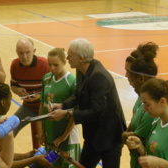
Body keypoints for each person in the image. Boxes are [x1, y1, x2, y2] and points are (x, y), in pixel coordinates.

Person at [48, 38, 127, 168]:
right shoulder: (81, 70)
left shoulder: (98, 77)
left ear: (81, 58)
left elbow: (97, 112)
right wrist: (62, 105)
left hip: (109, 137)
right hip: (93, 136)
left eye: (70, 55)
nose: (67, 57)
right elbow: (78, 95)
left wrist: (66, 114)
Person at [37, 48, 80, 168]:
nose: (52, 68)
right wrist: (41, 130)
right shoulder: (46, 78)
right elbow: (42, 104)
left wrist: (64, 136)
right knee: (51, 166)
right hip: (50, 134)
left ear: (64, 62)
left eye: (56, 65)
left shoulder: (72, 81)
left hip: (68, 137)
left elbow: (76, 112)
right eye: (49, 64)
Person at [121, 42, 159, 168]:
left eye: (128, 72)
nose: (126, 76)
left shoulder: (152, 108)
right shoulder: (141, 98)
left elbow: (134, 138)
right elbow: (131, 128)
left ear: (141, 78)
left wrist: (125, 135)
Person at [10, 38, 50, 149]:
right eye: (21, 53)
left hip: (47, 110)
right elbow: (13, 85)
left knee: (49, 139)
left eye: (28, 52)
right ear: (17, 53)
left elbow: (54, 90)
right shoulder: (14, 65)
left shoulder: (44, 65)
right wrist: (17, 90)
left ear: (34, 51)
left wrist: (40, 96)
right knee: (8, 130)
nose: (24, 56)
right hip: (28, 108)